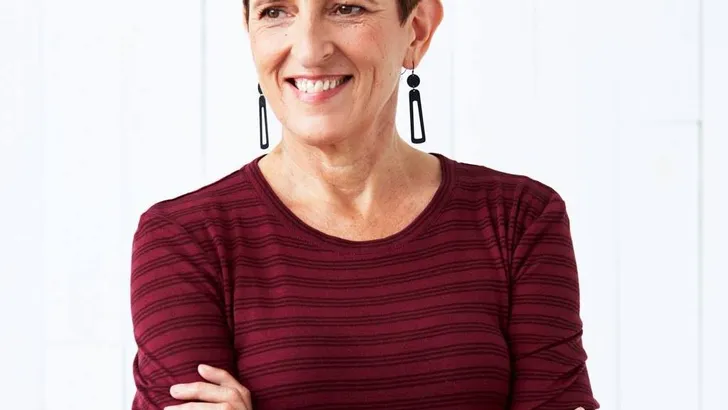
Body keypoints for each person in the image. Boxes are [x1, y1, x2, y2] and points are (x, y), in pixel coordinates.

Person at [129, 0, 600, 409]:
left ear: (417, 30)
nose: (308, 49)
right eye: (275, 12)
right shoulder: (185, 239)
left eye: (347, 8)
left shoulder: (519, 219)